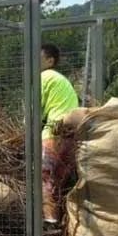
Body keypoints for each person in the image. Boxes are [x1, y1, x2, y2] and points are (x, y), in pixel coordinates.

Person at [39, 43, 79, 225]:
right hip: (71, 135)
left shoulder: (44, 76)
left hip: (53, 133)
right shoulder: (61, 79)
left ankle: (49, 223)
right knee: (62, 182)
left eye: (37, 57)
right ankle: (65, 222)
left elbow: (35, 112)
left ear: (50, 61)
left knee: (45, 178)